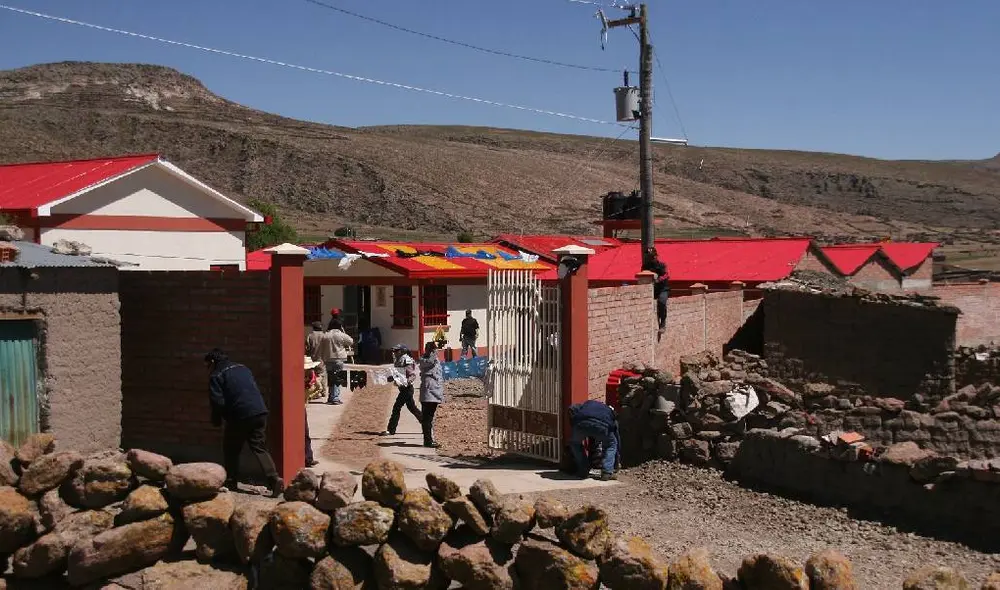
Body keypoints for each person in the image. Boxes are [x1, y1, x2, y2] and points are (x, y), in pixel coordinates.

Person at [205, 348, 284, 496]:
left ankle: (231, 480)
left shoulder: (216, 375)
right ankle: (274, 479)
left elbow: (218, 402)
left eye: (208, 364)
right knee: (259, 447)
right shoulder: (242, 368)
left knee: (231, 448)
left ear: (213, 361)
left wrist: (217, 419)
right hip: (259, 411)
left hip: (240, 414)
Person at [568, 399, 620, 481]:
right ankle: (607, 472)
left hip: (581, 424)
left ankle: (583, 470)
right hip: (602, 426)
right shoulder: (609, 410)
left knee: (575, 443)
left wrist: (573, 425)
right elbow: (615, 429)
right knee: (611, 444)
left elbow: (572, 408)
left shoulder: (587, 404)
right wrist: (617, 463)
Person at [381, 344, 422, 436]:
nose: (394, 352)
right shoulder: (399, 359)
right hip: (404, 388)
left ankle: (391, 430)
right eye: (394, 351)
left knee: (396, 407)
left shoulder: (406, 360)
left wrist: (407, 381)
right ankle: (426, 424)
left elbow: (412, 374)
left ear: (402, 351)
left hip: (406, 389)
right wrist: (392, 378)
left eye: (396, 351)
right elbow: (399, 374)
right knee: (412, 408)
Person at [418, 342, 445, 448]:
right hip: (429, 392)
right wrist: (433, 353)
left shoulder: (431, 359)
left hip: (432, 392)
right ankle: (428, 441)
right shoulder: (426, 360)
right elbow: (430, 361)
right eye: (434, 350)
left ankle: (428, 440)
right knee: (427, 418)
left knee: (428, 418)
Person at [325, 319, 354, 405]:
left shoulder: (326, 335)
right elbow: (351, 342)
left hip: (328, 359)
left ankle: (331, 397)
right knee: (337, 378)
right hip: (338, 359)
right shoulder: (341, 335)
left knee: (331, 378)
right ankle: (335, 398)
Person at [304, 356, 322, 467]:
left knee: (305, 434)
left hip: (302, 408)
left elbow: (319, 388)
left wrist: (309, 397)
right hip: (296, 407)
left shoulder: (312, 378)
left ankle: (308, 458)